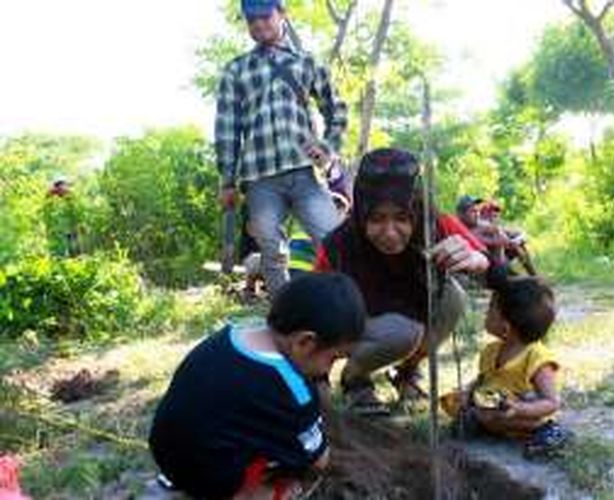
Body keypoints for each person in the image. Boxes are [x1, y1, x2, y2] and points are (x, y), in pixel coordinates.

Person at [149, 273, 366, 499]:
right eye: (333, 359)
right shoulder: (292, 390)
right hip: (209, 477)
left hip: (166, 452)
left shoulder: (233, 333)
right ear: (304, 342)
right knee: (290, 467)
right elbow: (320, 461)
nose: (328, 370)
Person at [315, 148, 490, 415]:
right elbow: (312, 316)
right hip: (365, 328)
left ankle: (407, 373)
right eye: (376, 219)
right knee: (403, 333)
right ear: (361, 214)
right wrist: (318, 377)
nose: (390, 233)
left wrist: (475, 259)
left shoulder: (436, 224)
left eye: (401, 218)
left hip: (412, 315)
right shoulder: (338, 246)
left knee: (454, 296)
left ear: (415, 210)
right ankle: (355, 379)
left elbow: (492, 268)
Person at [216, 0, 348, 297]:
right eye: (251, 20)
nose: (258, 24)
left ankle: (348, 313)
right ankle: (284, 320)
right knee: (272, 255)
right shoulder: (236, 70)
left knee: (335, 244)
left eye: (264, 16)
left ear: (282, 15)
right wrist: (226, 182)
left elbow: (336, 109)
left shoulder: (307, 62)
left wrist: (328, 146)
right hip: (260, 179)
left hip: (304, 172)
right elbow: (227, 130)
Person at [440, 270, 568, 458]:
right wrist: (467, 391)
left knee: (538, 426)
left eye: (491, 308)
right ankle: (482, 424)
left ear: (506, 328)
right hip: (493, 408)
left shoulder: (536, 358)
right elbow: (483, 379)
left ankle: (550, 435)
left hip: (522, 416)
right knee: (455, 402)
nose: (485, 312)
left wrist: (520, 409)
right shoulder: (491, 351)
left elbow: (551, 402)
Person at [456, 195, 525, 268]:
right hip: (490, 267)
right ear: (461, 214)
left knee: (518, 247)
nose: (477, 214)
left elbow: (514, 234)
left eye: (477, 211)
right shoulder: (458, 228)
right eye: (473, 211)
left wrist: (514, 240)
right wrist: (499, 241)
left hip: (498, 262)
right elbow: (480, 240)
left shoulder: (483, 224)